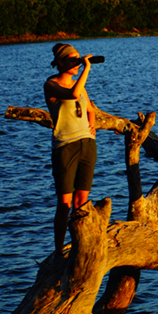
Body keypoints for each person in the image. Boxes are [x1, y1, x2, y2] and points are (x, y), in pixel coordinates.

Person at [44, 43, 98, 252]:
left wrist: (91, 124)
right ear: (59, 62)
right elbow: (73, 95)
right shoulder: (51, 85)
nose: (76, 63)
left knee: (82, 199)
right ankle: (58, 250)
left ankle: (79, 243)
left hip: (87, 144)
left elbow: (89, 109)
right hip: (65, 146)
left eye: (78, 59)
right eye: (72, 60)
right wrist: (86, 69)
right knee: (65, 202)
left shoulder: (80, 85)